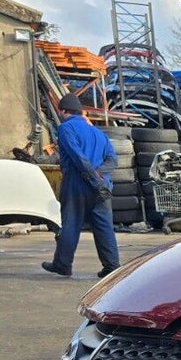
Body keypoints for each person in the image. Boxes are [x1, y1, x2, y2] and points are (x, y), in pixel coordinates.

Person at [43, 94, 120, 279]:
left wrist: (92, 177)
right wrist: (99, 176)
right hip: (102, 187)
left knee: (70, 224)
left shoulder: (65, 128)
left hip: (77, 185)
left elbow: (78, 158)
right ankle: (112, 266)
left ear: (63, 111)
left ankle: (62, 264)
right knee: (104, 227)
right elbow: (113, 160)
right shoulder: (98, 133)